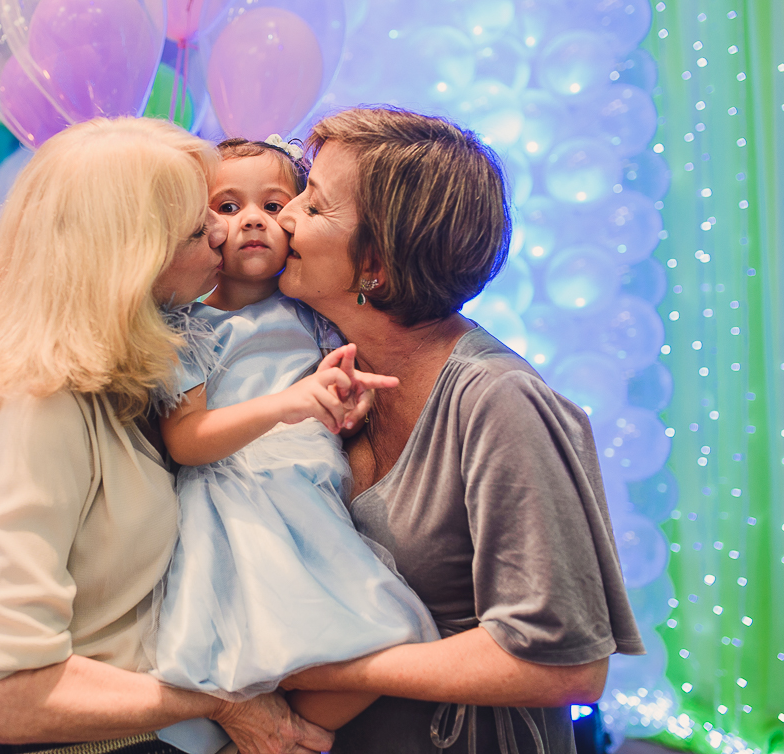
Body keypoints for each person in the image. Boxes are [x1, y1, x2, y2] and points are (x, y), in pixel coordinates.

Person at [0, 117, 334, 754]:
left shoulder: (140, 367)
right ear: (130, 261)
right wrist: (221, 702)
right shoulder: (37, 411)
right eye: (198, 227)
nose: (223, 232)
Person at [272, 108, 645, 754]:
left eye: (314, 205)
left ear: (377, 267)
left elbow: (570, 667)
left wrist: (332, 668)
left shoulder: (501, 403)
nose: (285, 217)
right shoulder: (320, 368)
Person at [145, 138, 439, 731]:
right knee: (259, 644)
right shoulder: (186, 326)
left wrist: (344, 407)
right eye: (227, 208)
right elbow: (188, 440)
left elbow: (335, 396)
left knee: (390, 632)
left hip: (310, 483)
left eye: (275, 204)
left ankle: (301, 734)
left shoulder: (312, 311)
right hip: (240, 492)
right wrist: (286, 405)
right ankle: (272, 735)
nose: (252, 218)